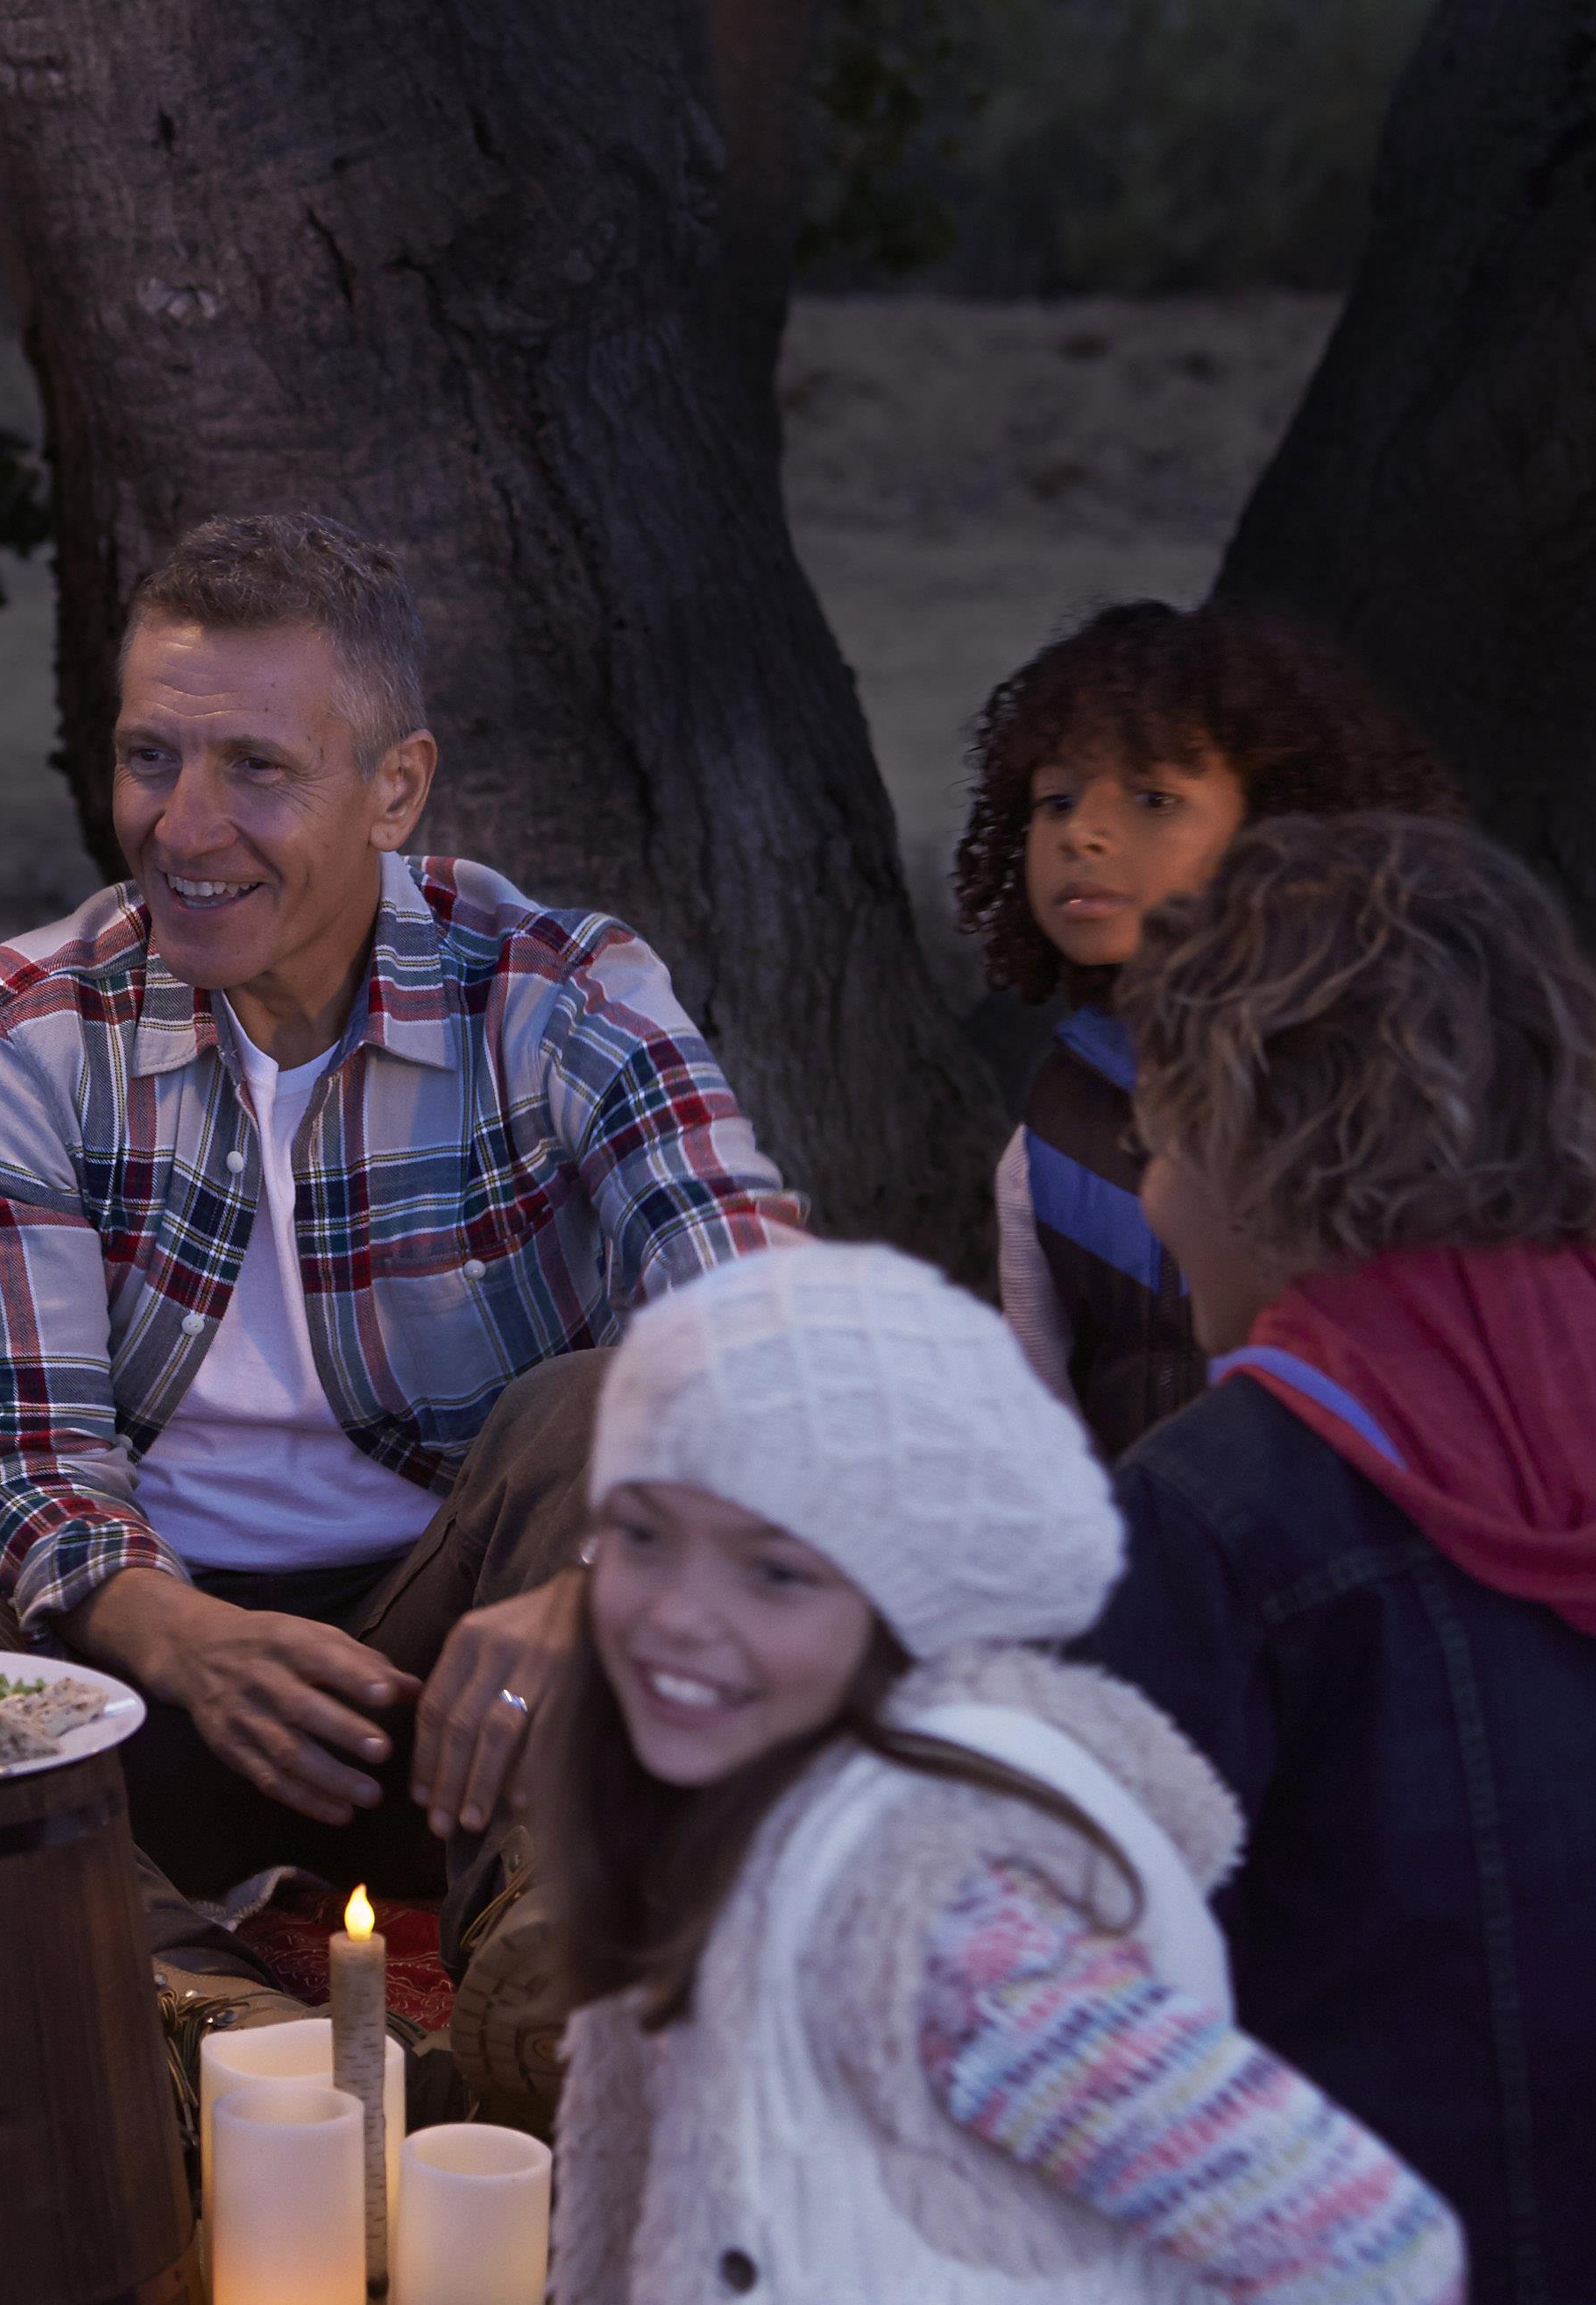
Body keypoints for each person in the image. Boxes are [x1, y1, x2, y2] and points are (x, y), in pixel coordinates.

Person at [0, 512, 802, 1969]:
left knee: (598, 1421)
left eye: (254, 770)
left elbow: (773, 1345)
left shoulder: (557, 992)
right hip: (149, 1665)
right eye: (149, 759)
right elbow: (20, 1459)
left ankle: (546, 1966)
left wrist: (598, 1593)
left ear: (395, 791)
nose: (181, 828)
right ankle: (159, 1992)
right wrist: (176, 1636)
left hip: (468, 1670)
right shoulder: (18, 1025)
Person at [543, 1242, 1461, 2304]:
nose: (677, 1613)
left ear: (900, 1601)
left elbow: (1370, 2246)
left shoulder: (941, 1928)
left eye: (776, 1572)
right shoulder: (711, 1823)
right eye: (643, 1535)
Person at [1074, 813, 1594, 2304]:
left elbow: (1081, 2010)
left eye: (1154, 1143)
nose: (1153, 1202)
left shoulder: (1212, 1518)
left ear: (1251, 1155)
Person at [946, 601, 1454, 1458]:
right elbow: (1040, 1415)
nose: (1084, 834)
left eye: (1153, 798)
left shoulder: (1387, 1083)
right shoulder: (1055, 1119)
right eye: (1056, 800)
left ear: (1281, 826)